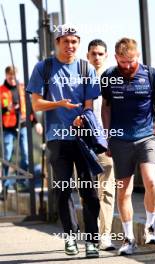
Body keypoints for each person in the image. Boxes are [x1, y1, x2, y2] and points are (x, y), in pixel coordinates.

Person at [27, 24, 100, 258]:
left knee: (90, 192)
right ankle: (70, 237)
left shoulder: (85, 68)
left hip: (83, 138)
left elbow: (89, 106)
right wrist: (58, 104)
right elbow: (36, 104)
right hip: (57, 139)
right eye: (66, 41)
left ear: (79, 43)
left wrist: (81, 117)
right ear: (57, 42)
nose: (70, 46)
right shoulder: (44, 68)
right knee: (63, 190)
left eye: (74, 41)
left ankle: (91, 241)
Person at [101, 37, 155, 255]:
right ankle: (128, 239)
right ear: (116, 58)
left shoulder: (151, 74)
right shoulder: (108, 77)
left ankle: (149, 227)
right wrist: (107, 136)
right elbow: (105, 107)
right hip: (119, 139)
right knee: (123, 191)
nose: (127, 66)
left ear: (138, 57)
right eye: (123, 63)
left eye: (131, 62)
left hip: (147, 136)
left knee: (152, 180)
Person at [87, 39, 115, 250]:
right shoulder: (80, 80)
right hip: (85, 141)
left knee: (107, 188)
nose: (97, 57)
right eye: (93, 53)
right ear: (88, 56)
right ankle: (93, 231)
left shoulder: (113, 80)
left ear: (106, 56)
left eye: (100, 54)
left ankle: (105, 235)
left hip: (106, 141)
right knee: (90, 189)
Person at [0, 66, 42, 198]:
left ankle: (20, 181)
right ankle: (5, 187)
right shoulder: (1, 91)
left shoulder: (23, 88)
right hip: (7, 127)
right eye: (9, 77)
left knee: (26, 154)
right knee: (7, 155)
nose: (12, 80)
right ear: (6, 76)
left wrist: (36, 123)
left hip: (23, 125)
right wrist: (7, 108)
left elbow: (30, 106)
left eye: (14, 77)